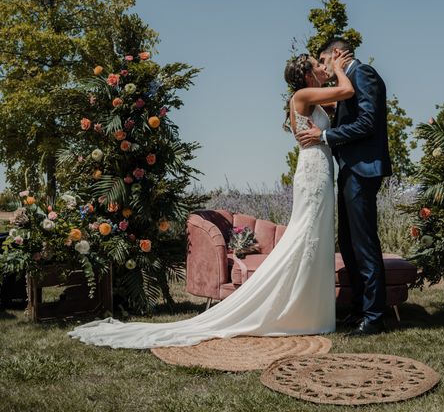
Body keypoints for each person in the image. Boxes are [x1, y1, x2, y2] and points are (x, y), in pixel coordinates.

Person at [68, 49, 354, 348]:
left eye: (324, 66)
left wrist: (333, 76)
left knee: (315, 235)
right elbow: (346, 90)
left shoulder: (313, 96)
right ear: (307, 75)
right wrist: (338, 66)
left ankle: (310, 310)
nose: (323, 69)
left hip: (320, 168)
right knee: (307, 234)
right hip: (313, 171)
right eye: (317, 67)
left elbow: (341, 103)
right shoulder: (304, 94)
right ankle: (299, 310)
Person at [296, 38, 392, 336]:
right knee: (349, 242)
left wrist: (325, 137)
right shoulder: (346, 79)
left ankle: (374, 316)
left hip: (364, 169)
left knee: (363, 243)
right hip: (349, 168)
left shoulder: (363, 74)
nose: (323, 68)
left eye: (324, 61)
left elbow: (367, 123)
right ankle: (360, 308)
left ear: (335, 54)